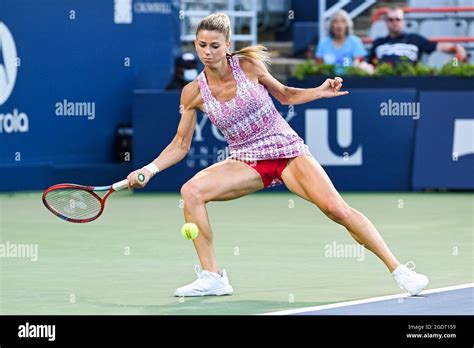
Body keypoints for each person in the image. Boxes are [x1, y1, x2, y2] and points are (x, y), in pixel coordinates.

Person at [127, 13, 429, 297]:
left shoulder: (246, 66)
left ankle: (400, 270)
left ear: (228, 46)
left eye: (215, 46)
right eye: (202, 45)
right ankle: (213, 277)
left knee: (336, 209)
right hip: (246, 159)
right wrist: (150, 169)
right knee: (191, 192)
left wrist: (318, 91)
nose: (207, 52)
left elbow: (284, 95)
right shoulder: (192, 92)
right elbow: (181, 144)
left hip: (286, 150)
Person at [369, 8, 467, 66]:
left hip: (410, 81)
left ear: (403, 21)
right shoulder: (378, 42)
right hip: (382, 81)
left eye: (398, 19)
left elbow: (443, 47)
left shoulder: (415, 39)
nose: (395, 22)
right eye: (391, 20)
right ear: (386, 22)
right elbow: (369, 64)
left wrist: (457, 49)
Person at [315, 10, 369, 74]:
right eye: (335, 22)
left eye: (343, 21)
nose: (339, 25)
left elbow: (359, 62)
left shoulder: (355, 41)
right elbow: (318, 64)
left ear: (347, 25)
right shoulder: (323, 42)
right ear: (331, 25)